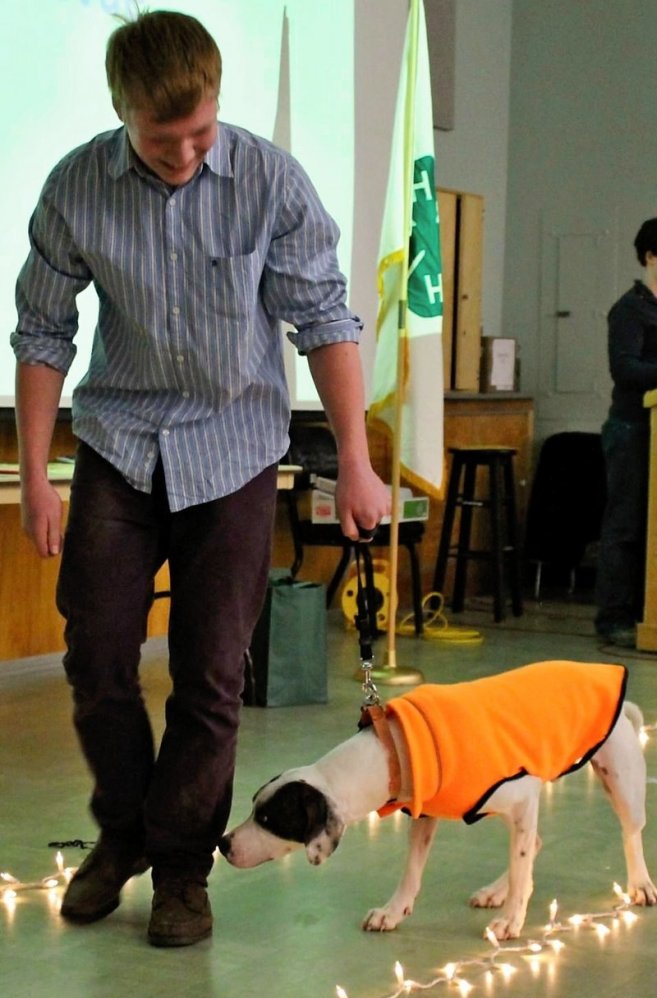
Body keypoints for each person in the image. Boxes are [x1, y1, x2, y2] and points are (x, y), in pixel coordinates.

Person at [11, 10, 390, 948]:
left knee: (210, 674)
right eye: (158, 134)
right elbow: (42, 333)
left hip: (232, 454)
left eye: (199, 131)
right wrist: (38, 469)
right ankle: (123, 834)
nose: (182, 151)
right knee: (97, 656)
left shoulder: (268, 181)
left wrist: (354, 458)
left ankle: (180, 865)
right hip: (119, 446)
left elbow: (324, 321)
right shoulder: (75, 187)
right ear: (120, 111)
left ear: (217, 102)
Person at [594, 218, 657, 648]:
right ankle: (613, 617)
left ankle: (645, 612)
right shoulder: (631, 308)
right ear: (651, 257)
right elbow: (626, 368)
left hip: (655, 433)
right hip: (632, 429)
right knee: (626, 525)